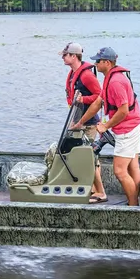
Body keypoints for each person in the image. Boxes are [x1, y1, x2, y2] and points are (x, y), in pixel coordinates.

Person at [75, 47, 140, 206]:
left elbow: (124, 111)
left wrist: (106, 127)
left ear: (107, 62)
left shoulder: (116, 82)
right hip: (134, 126)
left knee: (120, 171)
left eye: (98, 61)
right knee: (133, 166)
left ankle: (133, 207)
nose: (95, 64)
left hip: (128, 129)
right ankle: (135, 203)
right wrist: (80, 122)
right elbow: (97, 103)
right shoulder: (109, 78)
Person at [59, 42, 107, 203]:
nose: (62, 57)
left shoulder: (86, 75)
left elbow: (100, 96)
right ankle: (92, 188)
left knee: (88, 157)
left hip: (89, 123)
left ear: (74, 56)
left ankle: (101, 192)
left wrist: (84, 99)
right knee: (89, 157)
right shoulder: (73, 73)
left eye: (65, 55)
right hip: (78, 120)